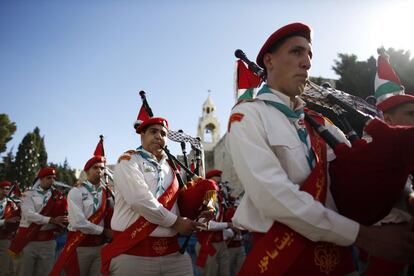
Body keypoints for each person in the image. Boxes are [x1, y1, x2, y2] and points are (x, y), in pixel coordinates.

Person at [226, 22, 414, 275]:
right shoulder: (248, 115)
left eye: (309, 55)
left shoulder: (321, 123)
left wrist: (400, 204)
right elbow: (271, 196)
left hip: (339, 256)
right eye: (296, 52)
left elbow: (355, 181)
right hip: (283, 257)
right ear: (269, 61)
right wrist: (365, 237)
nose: (306, 62)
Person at [101, 115, 206, 276]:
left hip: (173, 253)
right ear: (142, 135)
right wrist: (176, 222)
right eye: (153, 132)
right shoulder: (128, 161)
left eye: (163, 134)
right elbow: (139, 200)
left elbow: (180, 203)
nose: (159, 136)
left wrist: (201, 209)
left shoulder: (173, 168)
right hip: (134, 252)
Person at [50, 155, 113, 276]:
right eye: (95, 168)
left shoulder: (106, 193)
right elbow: (78, 222)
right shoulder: (76, 191)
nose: (99, 171)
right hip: (79, 245)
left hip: (100, 246)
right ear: (87, 171)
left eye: (102, 168)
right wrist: (104, 231)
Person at [9, 167, 68, 276]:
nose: (52, 180)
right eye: (48, 178)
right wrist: (51, 220)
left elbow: (62, 213)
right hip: (28, 240)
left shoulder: (58, 196)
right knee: (24, 272)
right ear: (40, 179)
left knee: (45, 273)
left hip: (48, 242)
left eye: (53, 178)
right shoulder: (28, 194)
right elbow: (29, 214)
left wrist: (62, 222)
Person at [195, 169, 230, 276]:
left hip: (221, 243)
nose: (218, 186)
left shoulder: (219, 198)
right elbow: (206, 224)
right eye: (215, 183)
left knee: (224, 273)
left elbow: (221, 218)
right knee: (210, 272)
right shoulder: (206, 197)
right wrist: (228, 225)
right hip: (208, 242)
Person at [0, 181, 20, 276]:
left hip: (6, 239)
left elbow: (18, 219)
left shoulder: (12, 205)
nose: (5, 191)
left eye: (7, 189)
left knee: (6, 268)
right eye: (2, 188)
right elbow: (7, 220)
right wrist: (5, 221)